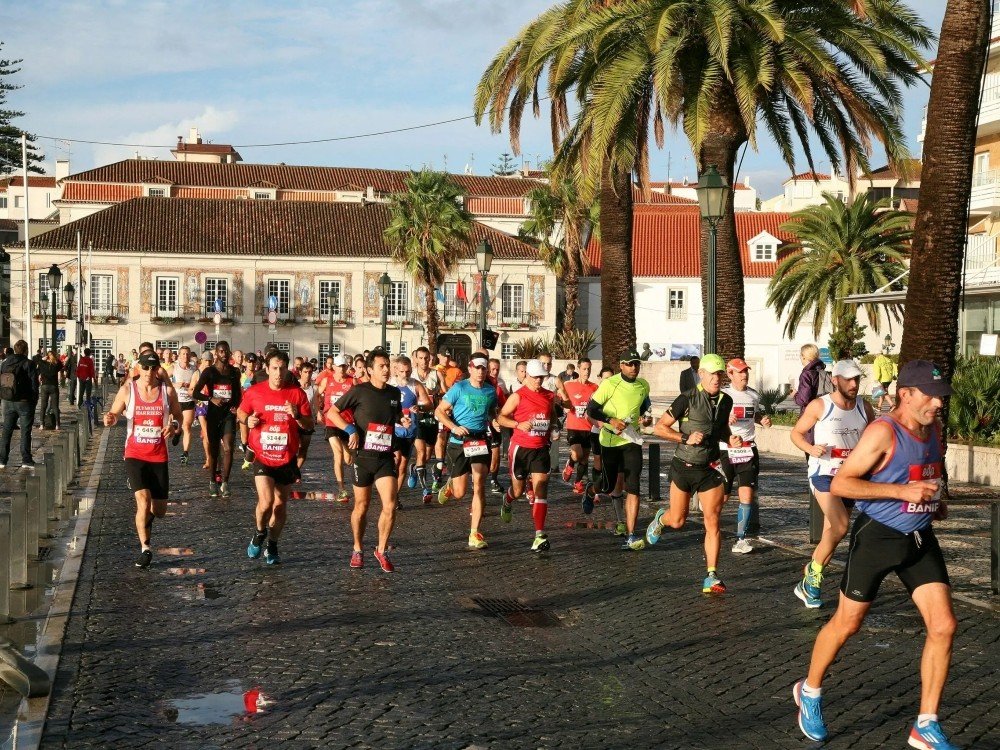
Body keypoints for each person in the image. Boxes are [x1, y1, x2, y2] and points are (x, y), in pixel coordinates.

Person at [794, 361, 958, 748]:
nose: (938, 403)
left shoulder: (933, 428)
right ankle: (810, 691)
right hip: (878, 537)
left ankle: (926, 724)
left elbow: (928, 470)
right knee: (847, 624)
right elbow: (843, 483)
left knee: (944, 625)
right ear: (906, 394)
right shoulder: (882, 432)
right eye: (930, 395)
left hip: (919, 537)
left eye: (941, 396)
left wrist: (937, 501)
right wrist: (902, 493)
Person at [646, 353, 735, 594]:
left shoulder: (726, 401)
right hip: (684, 466)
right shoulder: (686, 398)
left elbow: (721, 428)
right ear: (702, 374)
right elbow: (659, 428)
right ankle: (660, 519)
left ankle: (711, 575)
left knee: (713, 520)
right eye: (713, 374)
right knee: (677, 520)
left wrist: (731, 438)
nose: (717, 378)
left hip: (709, 468)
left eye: (720, 374)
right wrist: (685, 437)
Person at [790, 359, 876, 608]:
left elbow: (873, 439)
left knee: (834, 533)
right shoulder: (820, 405)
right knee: (840, 526)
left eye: (857, 379)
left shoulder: (864, 407)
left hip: (850, 477)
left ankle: (810, 575)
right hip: (824, 474)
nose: (853, 384)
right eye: (848, 379)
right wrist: (810, 448)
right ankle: (811, 581)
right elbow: (796, 433)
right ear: (835, 380)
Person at [327, 350, 407, 572]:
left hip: (384, 458)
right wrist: (350, 428)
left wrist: (404, 419)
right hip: (362, 458)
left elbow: (395, 416)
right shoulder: (359, 391)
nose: (386, 369)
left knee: (390, 506)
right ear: (370, 370)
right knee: (361, 506)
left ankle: (381, 550)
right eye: (381, 366)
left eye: (387, 365)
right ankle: (358, 547)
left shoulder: (393, 393)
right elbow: (332, 413)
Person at [103, 351, 181, 568]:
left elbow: (178, 416)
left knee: (159, 511)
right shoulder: (128, 389)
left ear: (158, 369)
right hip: (134, 455)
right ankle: (145, 548)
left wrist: (174, 427)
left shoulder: (167, 391)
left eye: (153, 368)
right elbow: (114, 413)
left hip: (158, 456)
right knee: (143, 502)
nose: (148, 372)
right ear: (139, 368)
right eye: (145, 367)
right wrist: (111, 418)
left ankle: (146, 522)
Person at [239, 350, 313, 566]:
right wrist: (248, 421)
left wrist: (297, 415)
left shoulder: (297, 395)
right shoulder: (254, 391)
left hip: (286, 456)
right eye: (274, 368)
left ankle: (272, 544)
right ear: (267, 369)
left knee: (280, 505)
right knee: (266, 502)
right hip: (262, 454)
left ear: (287, 369)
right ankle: (260, 532)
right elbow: (242, 413)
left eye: (282, 368)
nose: (278, 373)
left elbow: (309, 425)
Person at [497, 359, 568, 552]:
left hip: (540, 449)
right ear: (527, 376)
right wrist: (517, 424)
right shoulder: (517, 396)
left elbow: (551, 415)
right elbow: (501, 417)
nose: (539, 380)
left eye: (541, 377)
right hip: (521, 449)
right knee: (518, 491)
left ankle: (539, 534)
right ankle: (508, 499)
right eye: (535, 377)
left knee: (541, 489)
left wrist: (554, 427)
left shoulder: (549, 395)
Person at [586, 350, 653, 545]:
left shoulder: (643, 385)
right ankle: (592, 490)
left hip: (631, 440)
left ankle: (631, 534)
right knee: (608, 486)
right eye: (630, 364)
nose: (634, 368)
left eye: (637, 364)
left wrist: (646, 419)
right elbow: (592, 409)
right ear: (622, 365)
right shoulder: (610, 384)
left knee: (633, 486)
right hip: (610, 441)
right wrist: (611, 420)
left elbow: (645, 409)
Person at [435, 355, 498, 549]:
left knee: (479, 483)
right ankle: (450, 486)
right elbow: (439, 411)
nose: (480, 372)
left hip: (479, 440)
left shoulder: (490, 391)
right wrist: (453, 427)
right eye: (477, 368)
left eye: (483, 369)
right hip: (458, 441)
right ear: (470, 368)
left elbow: (491, 412)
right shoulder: (460, 388)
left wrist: (495, 421)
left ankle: (474, 533)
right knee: (460, 493)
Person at [721, 358, 772, 554]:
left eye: (746, 371)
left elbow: (754, 415)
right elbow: (712, 419)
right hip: (726, 450)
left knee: (747, 495)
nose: (745, 375)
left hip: (748, 449)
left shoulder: (753, 395)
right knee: (723, 496)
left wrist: (763, 420)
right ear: (730, 374)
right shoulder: (723, 395)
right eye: (740, 372)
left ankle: (740, 539)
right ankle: (711, 529)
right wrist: (725, 418)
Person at [193, 341, 242, 498]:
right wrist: (211, 398)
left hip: (228, 414)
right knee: (214, 451)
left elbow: (237, 394)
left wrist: (236, 406)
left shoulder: (235, 372)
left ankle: (225, 483)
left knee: (228, 448)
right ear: (216, 353)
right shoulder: (209, 372)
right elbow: (195, 393)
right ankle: (213, 481)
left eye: (226, 351)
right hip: (213, 414)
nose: (224, 354)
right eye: (221, 351)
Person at [389, 356, 430, 496]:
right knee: (396, 459)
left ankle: (395, 497)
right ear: (396, 371)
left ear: (411, 370)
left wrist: (419, 408)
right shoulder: (390, 385)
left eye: (407, 371)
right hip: (394, 429)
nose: (405, 375)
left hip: (409, 430)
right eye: (402, 371)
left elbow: (428, 404)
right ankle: (388, 494)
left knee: (402, 466)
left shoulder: (415, 385)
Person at [319, 354, 355, 502]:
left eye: (344, 366)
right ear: (333, 367)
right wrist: (318, 411)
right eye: (339, 366)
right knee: (338, 454)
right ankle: (342, 489)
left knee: (348, 458)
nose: (341, 369)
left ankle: (348, 451)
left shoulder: (352, 382)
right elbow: (317, 394)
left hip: (347, 423)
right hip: (331, 421)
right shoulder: (327, 380)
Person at [562, 357, 599, 497]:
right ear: (578, 369)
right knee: (577, 454)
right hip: (574, 426)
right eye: (584, 369)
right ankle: (570, 464)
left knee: (584, 458)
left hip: (588, 427)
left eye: (589, 368)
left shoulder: (595, 387)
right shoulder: (569, 385)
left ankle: (577, 482)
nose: (587, 371)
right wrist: (565, 406)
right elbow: (561, 398)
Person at [0, 340, 39, 470]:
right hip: (25, 402)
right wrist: (34, 400)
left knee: (6, 431)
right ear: (26, 350)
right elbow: (34, 384)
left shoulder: (5, 363)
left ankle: (2, 459)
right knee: (25, 432)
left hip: (8, 400)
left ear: (15, 350)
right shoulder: (29, 363)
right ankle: (26, 460)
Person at [410, 346, 441, 502]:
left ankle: (414, 468)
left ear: (431, 359)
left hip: (432, 418)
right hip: (416, 419)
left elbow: (445, 393)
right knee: (421, 453)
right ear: (415, 359)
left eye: (426, 358)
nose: (424, 361)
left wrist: (437, 396)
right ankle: (425, 490)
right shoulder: (411, 375)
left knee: (428, 455)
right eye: (420, 358)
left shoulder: (436, 374)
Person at [171, 346, 199, 465]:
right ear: (179, 355)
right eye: (183, 354)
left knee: (186, 427)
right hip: (176, 401)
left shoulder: (194, 368)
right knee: (177, 426)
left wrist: (193, 387)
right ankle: (177, 433)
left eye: (187, 354)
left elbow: (199, 382)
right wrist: (175, 384)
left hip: (189, 400)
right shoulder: (174, 367)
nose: (185, 356)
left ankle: (185, 453)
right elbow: (162, 380)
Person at [295, 361, 317, 469]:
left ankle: (295, 471)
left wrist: (318, 415)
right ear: (300, 372)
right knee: (293, 447)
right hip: (295, 421)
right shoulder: (294, 386)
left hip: (308, 422)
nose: (308, 374)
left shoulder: (314, 388)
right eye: (305, 372)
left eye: (310, 372)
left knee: (303, 449)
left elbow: (316, 405)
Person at [794, 343, 828, 413]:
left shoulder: (806, 374)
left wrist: (794, 395)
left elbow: (803, 400)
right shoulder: (822, 372)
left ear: (803, 357)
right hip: (824, 411)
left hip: (810, 413)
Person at [37, 351, 62, 430]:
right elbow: (61, 365)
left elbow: (37, 362)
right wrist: (56, 359)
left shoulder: (42, 363)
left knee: (43, 406)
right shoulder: (56, 364)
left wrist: (43, 359)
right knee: (55, 406)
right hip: (53, 386)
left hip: (44, 386)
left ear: (47, 356)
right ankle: (57, 425)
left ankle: (41, 424)